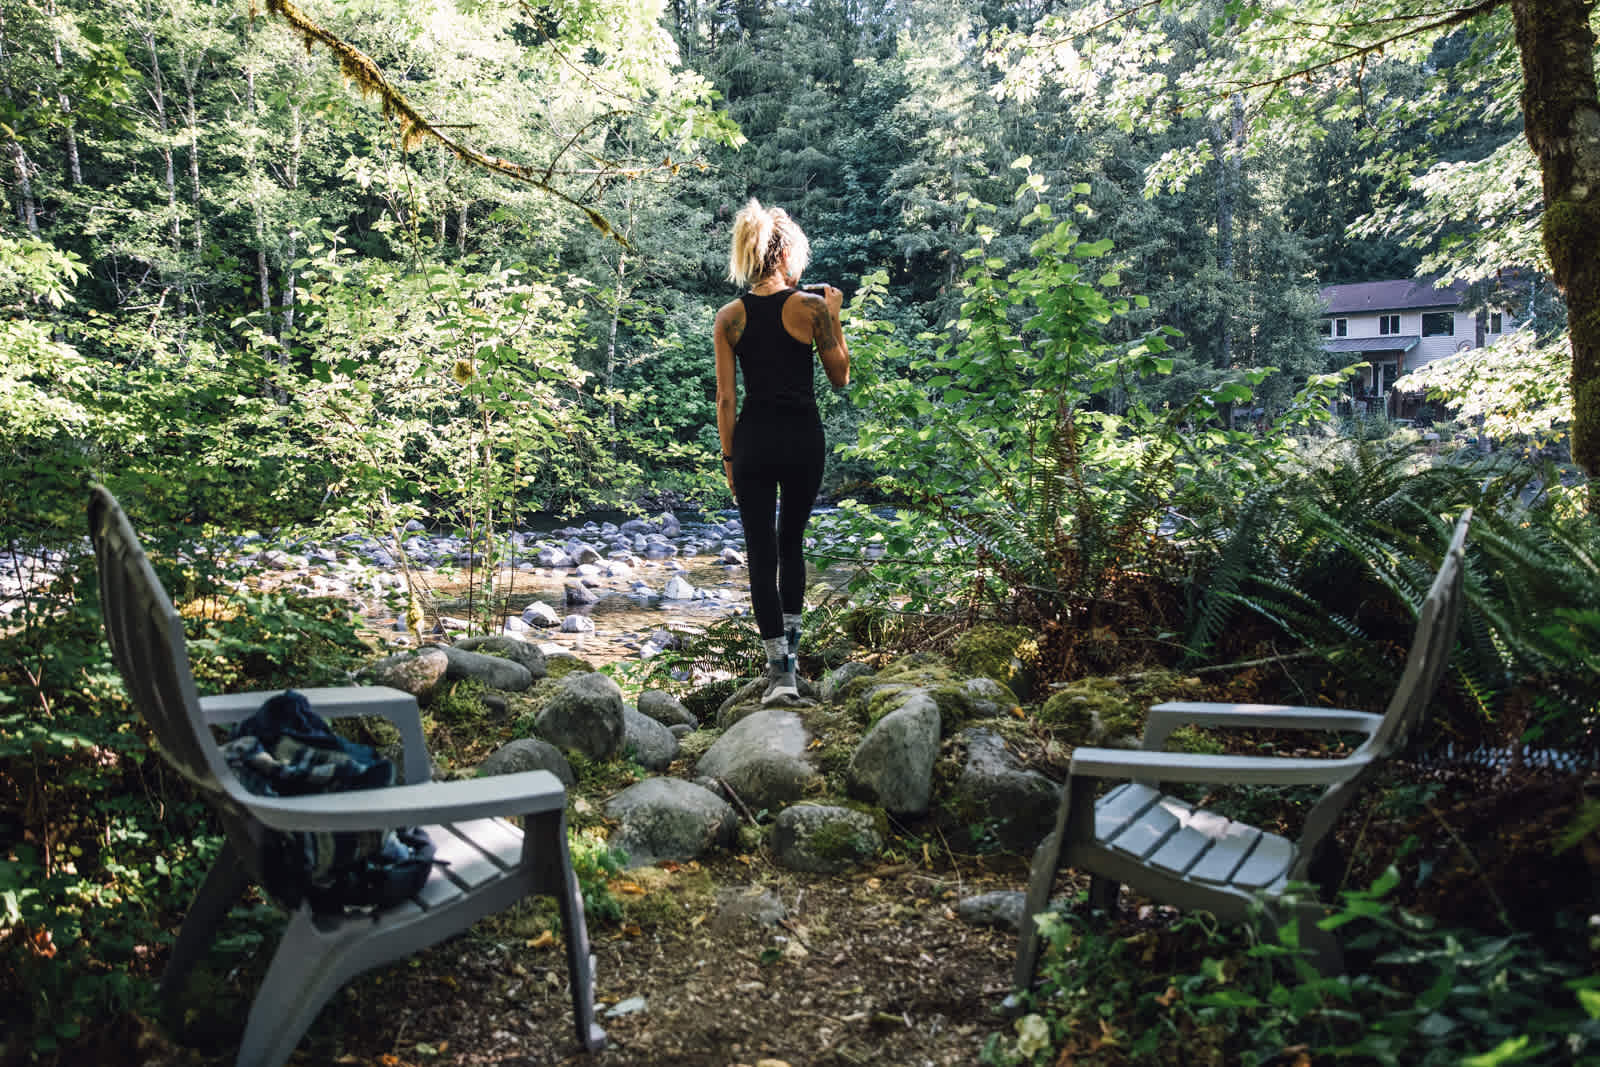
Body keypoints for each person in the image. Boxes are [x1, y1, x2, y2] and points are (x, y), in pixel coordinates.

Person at [713, 199, 850, 704]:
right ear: (787, 253)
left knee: (760, 552)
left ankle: (779, 678)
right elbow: (840, 376)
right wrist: (833, 316)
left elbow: (726, 399)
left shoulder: (729, 318)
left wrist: (729, 460)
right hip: (801, 440)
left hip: (753, 443)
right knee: (791, 545)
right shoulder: (811, 309)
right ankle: (791, 665)